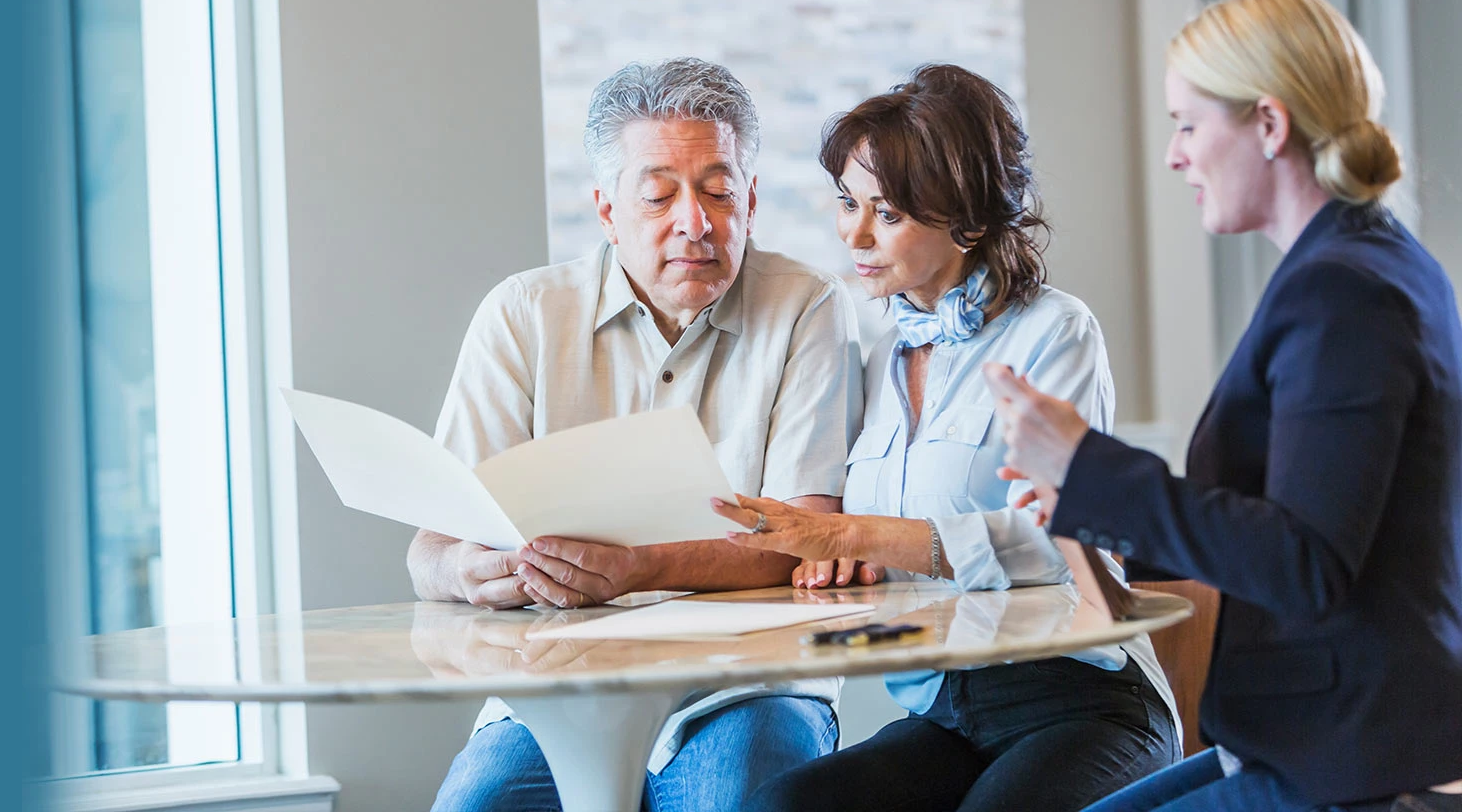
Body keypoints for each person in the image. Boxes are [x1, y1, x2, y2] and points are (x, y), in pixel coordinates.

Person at [987, 0, 1462, 812]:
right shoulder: (1361, 264)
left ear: (1270, 126)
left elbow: (1304, 562)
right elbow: (1278, 524)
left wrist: (1088, 466)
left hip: (1358, 764)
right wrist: (1090, 502)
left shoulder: (1343, 292)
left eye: (1187, 123)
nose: (1175, 155)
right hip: (1315, 739)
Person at [709, 63, 1181, 812]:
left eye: (887, 214)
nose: (855, 235)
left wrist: (864, 534)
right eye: (847, 203)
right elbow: (878, 556)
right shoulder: (873, 357)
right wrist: (847, 564)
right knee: (781, 806)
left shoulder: (1055, 334)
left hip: (1083, 701)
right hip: (947, 713)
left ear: (967, 219)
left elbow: (1066, 541)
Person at [417, 57, 864, 812]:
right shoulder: (523, 314)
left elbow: (809, 533)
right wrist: (469, 571)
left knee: (743, 797)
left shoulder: (808, 309)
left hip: (747, 684)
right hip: (556, 687)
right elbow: (430, 549)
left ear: (751, 203)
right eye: (658, 195)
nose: (695, 222)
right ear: (605, 210)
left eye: (720, 193)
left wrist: (632, 567)